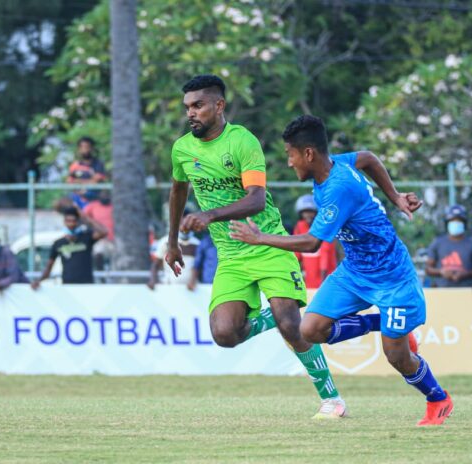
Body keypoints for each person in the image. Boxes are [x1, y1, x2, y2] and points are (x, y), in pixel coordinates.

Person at [230, 115, 452, 426]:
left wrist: (258, 238)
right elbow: (370, 158)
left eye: (290, 154)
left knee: (398, 358)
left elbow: (312, 244)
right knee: (309, 330)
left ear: (308, 153)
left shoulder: (339, 188)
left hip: (392, 277)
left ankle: (438, 398)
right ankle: (381, 322)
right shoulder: (338, 164)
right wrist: (396, 196)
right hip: (354, 272)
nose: (289, 162)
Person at [167, 75, 344, 419]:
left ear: (219, 106)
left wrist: (210, 214)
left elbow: (257, 200)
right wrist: (173, 242)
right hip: (230, 255)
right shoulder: (182, 149)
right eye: (188, 107)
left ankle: (332, 399)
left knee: (293, 326)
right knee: (225, 334)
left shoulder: (243, 142)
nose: (191, 113)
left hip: (268, 245)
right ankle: (275, 318)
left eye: (198, 105)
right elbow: (177, 192)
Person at [31, 206, 108, 287]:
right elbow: (48, 268)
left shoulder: (87, 237)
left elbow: (103, 231)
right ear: (64, 222)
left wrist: (85, 217)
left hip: (87, 287)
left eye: (74, 221)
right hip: (68, 288)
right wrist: (38, 281)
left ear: (78, 222)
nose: (71, 224)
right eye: (68, 221)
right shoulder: (58, 243)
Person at [425, 205, 472, 288]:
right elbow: (428, 269)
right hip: (442, 292)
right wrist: (441, 272)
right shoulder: (437, 243)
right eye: (452, 221)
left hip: (467, 293)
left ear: (464, 223)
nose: (455, 223)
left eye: (459, 221)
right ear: (447, 223)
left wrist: (466, 274)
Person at [293, 194, 337, 289]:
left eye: (311, 212)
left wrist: (323, 284)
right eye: (305, 212)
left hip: (325, 279)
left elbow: (325, 256)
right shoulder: (300, 226)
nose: (308, 215)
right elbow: (296, 253)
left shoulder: (323, 227)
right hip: (309, 280)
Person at [83, 190, 115, 270]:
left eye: (107, 195)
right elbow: (83, 217)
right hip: (100, 239)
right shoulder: (93, 206)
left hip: (114, 239)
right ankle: (101, 274)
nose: (105, 197)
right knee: (98, 253)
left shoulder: (115, 205)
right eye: (103, 195)